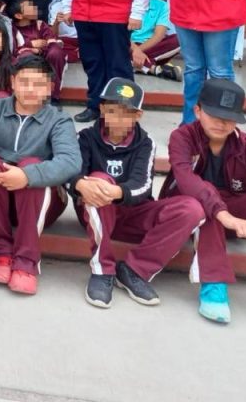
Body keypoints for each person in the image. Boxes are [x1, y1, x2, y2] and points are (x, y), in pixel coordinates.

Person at [159, 80, 246, 334]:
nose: (222, 123)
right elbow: (187, 181)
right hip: (190, 211)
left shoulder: (245, 143)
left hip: (233, 209)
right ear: (198, 111)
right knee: (205, 199)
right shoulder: (182, 137)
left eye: (230, 118)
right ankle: (214, 285)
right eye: (214, 114)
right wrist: (224, 215)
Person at [0, 55, 81, 303]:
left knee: (32, 165)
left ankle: (26, 261)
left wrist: (27, 176)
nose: (30, 89)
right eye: (24, 82)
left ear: (50, 87)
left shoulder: (58, 120)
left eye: (38, 84)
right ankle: (1, 253)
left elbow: (70, 162)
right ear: (12, 82)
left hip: (38, 202)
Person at [70, 78, 205, 309]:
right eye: (112, 111)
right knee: (97, 181)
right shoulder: (85, 138)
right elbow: (71, 173)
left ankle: (135, 270)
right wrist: (82, 185)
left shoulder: (146, 143)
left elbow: (142, 185)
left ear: (138, 115)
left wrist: (116, 191)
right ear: (102, 109)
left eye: (126, 113)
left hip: (133, 213)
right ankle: (102, 270)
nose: (118, 118)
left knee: (192, 209)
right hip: (97, 215)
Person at [12, 0, 66, 106]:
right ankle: (28, 96)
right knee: (26, 56)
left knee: (55, 52)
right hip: (26, 58)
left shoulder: (40, 24)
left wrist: (40, 48)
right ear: (19, 15)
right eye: (29, 7)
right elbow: (13, 48)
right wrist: (30, 45)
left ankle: (53, 96)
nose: (34, 7)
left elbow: (51, 39)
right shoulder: (12, 29)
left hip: (44, 56)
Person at [131, 0, 182, 80]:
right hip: (130, 45)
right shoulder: (123, 4)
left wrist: (138, 51)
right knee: (117, 45)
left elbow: (159, 36)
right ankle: (156, 70)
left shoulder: (162, 5)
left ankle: (138, 64)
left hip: (152, 46)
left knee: (181, 39)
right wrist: (135, 49)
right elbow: (120, 35)